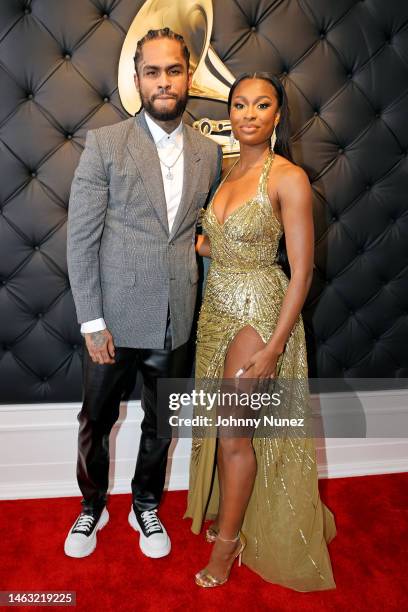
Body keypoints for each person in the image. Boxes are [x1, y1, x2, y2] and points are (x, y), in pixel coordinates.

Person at [65, 28, 222, 560]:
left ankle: (145, 503)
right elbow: (82, 238)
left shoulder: (207, 152)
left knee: (162, 422)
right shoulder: (106, 144)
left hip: (178, 315)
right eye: (152, 71)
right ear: (137, 81)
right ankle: (91, 506)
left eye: (173, 70)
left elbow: (197, 232)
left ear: (188, 76)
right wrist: (91, 321)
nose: (164, 81)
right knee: (95, 420)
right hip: (112, 320)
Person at [184, 72, 337, 590]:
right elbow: (222, 242)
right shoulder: (224, 174)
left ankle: (227, 549)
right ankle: (236, 519)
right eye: (240, 104)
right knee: (224, 430)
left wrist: (275, 345)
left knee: (232, 432)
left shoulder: (288, 177)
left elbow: (303, 269)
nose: (248, 114)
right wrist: (202, 248)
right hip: (215, 312)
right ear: (230, 112)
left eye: (261, 105)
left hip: (258, 312)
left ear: (277, 116)